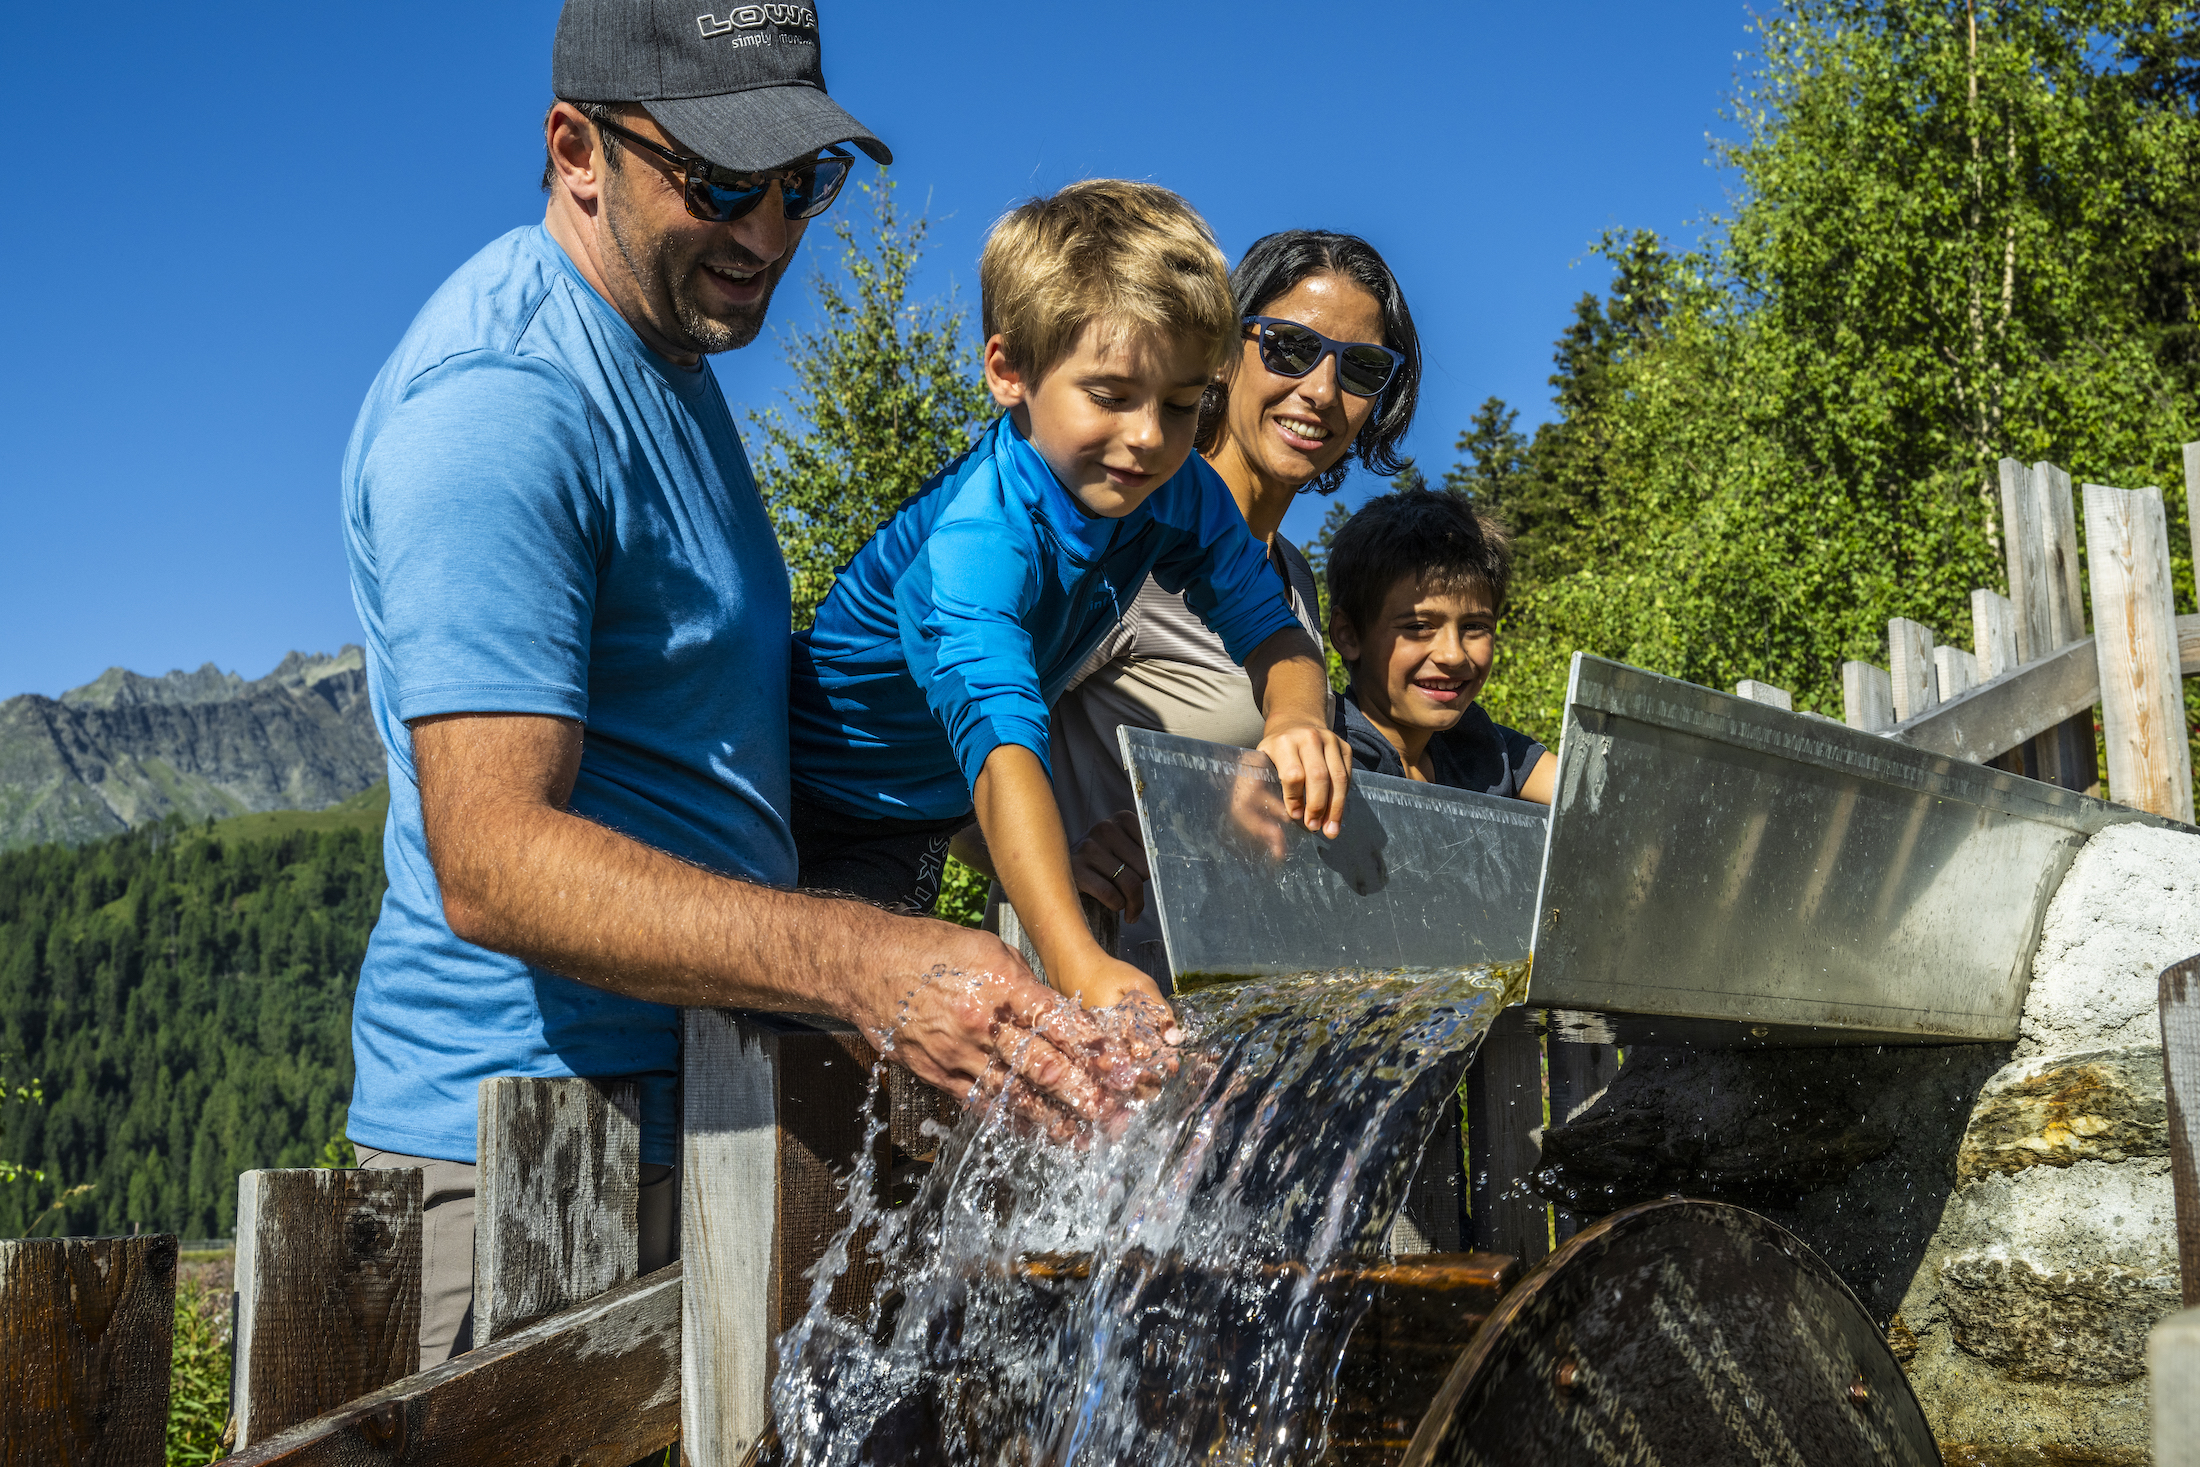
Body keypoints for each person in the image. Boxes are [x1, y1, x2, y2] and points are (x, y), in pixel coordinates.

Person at [340, 0, 1115, 1372]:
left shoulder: (664, 357)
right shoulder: (504, 399)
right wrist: (861, 964)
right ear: (578, 149)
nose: (768, 233)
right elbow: (494, 860)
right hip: (527, 1157)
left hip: (695, 1109)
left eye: (800, 181)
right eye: (718, 181)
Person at [786, 182, 1354, 1024]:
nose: (1150, 437)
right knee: (791, 1056)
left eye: (1179, 402)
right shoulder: (978, 543)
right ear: (1009, 371)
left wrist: (1295, 719)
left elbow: (1273, 628)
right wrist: (1079, 962)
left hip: (920, 813)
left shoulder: (1181, 492)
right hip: (808, 795)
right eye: (1112, 394)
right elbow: (1004, 747)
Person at [1035, 230, 1423, 980]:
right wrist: (1060, 857)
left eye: (1361, 368)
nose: (1320, 389)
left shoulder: (1295, 582)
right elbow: (947, 742)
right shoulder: (1130, 543)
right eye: (1288, 347)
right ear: (1221, 351)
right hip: (1093, 1004)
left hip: (1225, 1011)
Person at [1324, 488, 1556, 801]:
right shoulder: (1328, 753)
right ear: (1348, 634)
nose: (1453, 655)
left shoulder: (1479, 745)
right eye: (1419, 627)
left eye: (1474, 626)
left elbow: (1601, 798)